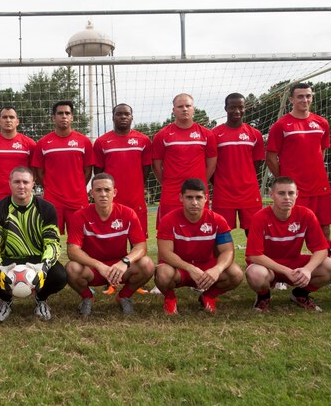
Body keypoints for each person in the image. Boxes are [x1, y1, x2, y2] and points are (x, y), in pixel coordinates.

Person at [244, 177, 331, 312]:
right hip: (267, 267)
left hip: (294, 263)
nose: (287, 197)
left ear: (297, 194)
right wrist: (287, 271)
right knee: (255, 274)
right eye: (281, 193)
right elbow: (254, 255)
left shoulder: (306, 214)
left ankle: (300, 294)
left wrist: (307, 269)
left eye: (291, 193)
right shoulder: (260, 217)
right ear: (271, 194)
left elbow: (321, 249)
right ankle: (263, 297)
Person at [0, 167, 66, 322]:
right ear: (10, 184)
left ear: (33, 184)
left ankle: (41, 299)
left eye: (25, 182)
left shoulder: (47, 208)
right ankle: (6, 300)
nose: (21, 186)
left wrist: (44, 267)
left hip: (37, 260)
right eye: (17, 182)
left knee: (60, 276)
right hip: (8, 260)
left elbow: (52, 242)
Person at [65, 173, 154, 316]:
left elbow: (141, 246)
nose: (103, 194)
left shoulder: (128, 213)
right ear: (91, 193)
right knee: (71, 268)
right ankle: (87, 297)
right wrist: (99, 266)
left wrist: (124, 262)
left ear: (114, 192)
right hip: (93, 269)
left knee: (147, 264)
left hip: (118, 269)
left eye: (107, 190)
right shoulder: (80, 216)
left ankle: (124, 296)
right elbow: (72, 251)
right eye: (98, 190)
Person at [154, 179, 243, 314]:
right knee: (163, 273)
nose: (194, 202)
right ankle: (170, 299)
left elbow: (227, 250)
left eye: (199, 197)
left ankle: (208, 296)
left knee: (236, 273)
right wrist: (190, 268)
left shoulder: (217, 220)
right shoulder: (168, 220)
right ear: (181, 198)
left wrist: (217, 269)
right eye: (189, 197)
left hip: (207, 268)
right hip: (180, 269)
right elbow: (165, 253)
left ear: (206, 198)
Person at [266, 83, 331, 240]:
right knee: (292, 229)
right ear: (291, 99)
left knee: (324, 228)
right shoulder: (281, 125)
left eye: (308, 96)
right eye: (300, 96)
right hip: (295, 188)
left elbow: (321, 152)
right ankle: (288, 262)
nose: (305, 99)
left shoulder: (322, 123)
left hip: (319, 185)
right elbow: (270, 157)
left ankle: (324, 263)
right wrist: (284, 179)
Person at [152, 93, 217, 227]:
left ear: (193, 109)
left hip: (198, 193)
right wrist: (168, 183)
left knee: (201, 230)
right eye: (180, 106)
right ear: (173, 110)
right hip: (171, 193)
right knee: (168, 231)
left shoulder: (206, 134)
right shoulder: (162, 135)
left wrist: (200, 182)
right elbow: (156, 166)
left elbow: (212, 164)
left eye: (188, 106)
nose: (185, 109)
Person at [31, 100, 94, 235]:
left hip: (78, 200)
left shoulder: (84, 142)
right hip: (52, 200)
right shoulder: (43, 143)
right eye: (60, 113)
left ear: (72, 117)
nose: (64, 116)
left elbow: (88, 169)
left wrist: (79, 187)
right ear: (53, 117)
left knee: (80, 240)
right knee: (50, 238)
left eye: (67, 113)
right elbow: (39, 172)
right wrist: (49, 187)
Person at [93, 103, 152, 234]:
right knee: (111, 238)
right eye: (119, 114)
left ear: (132, 117)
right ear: (113, 118)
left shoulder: (144, 140)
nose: (123, 117)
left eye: (127, 114)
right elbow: (98, 172)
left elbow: (146, 168)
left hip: (136, 199)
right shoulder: (101, 142)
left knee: (138, 239)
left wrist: (136, 185)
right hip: (111, 199)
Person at [211, 93, 265, 236]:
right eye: (232, 107)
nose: (237, 111)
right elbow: (210, 165)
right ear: (225, 108)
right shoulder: (215, 134)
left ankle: (254, 259)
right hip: (223, 192)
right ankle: (222, 260)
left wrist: (246, 179)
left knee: (254, 231)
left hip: (249, 191)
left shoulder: (255, 134)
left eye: (240, 107)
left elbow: (257, 163)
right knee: (221, 232)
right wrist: (218, 182)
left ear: (245, 108)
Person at [0, 106, 36, 216]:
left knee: (22, 232)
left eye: (11, 117)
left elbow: (33, 172)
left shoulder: (29, 144)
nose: (8, 120)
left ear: (17, 121)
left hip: (21, 197)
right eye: (5, 117)